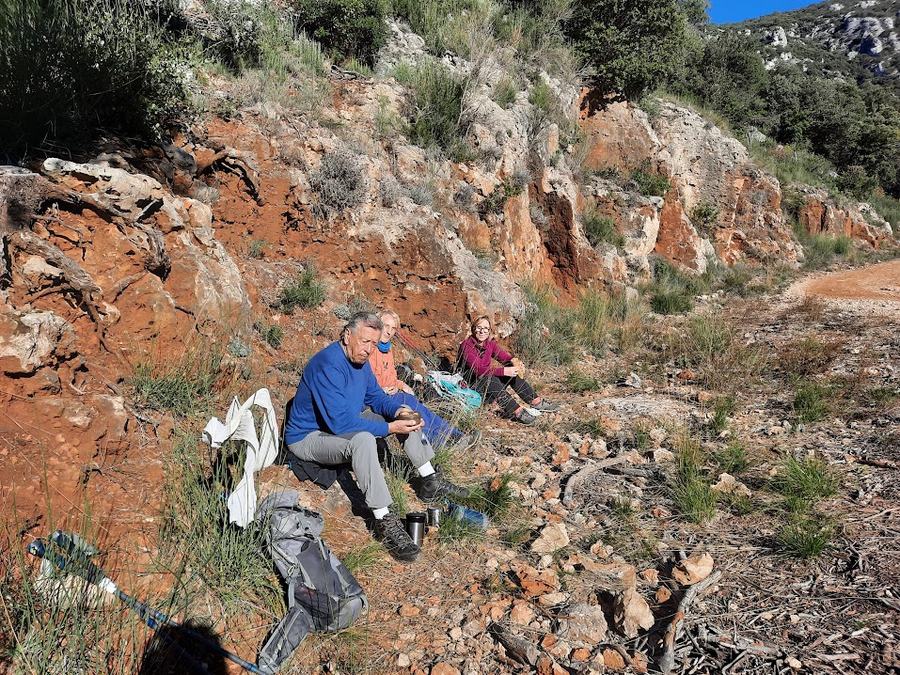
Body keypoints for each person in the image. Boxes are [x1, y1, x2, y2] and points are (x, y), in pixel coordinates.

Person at [284, 312, 470, 562]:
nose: (369, 350)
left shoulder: (360, 362)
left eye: (374, 343)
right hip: (309, 437)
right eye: (364, 342)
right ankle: (384, 519)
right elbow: (341, 424)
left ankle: (429, 479)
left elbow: (375, 397)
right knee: (363, 439)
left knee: (407, 413)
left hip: (338, 425)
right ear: (347, 336)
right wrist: (391, 428)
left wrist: (397, 412)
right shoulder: (328, 365)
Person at [368, 309, 476, 450]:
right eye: (386, 326)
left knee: (419, 406)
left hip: (392, 394)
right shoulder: (369, 349)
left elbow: (392, 378)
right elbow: (367, 382)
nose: (389, 332)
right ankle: (440, 442)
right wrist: (384, 389)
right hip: (379, 399)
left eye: (393, 328)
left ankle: (455, 435)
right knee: (409, 407)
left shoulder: (387, 350)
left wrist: (402, 385)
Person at [457, 315, 559, 425]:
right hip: (471, 387)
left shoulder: (490, 344)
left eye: (486, 328)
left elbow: (504, 358)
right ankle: (518, 412)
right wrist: (504, 371)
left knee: (512, 373)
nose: (482, 331)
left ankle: (536, 402)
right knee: (490, 379)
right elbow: (478, 370)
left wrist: (515, 363)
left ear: (490, 330)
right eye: (479, 327)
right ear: (473, 329)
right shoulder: (467, 346)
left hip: (488, 387)